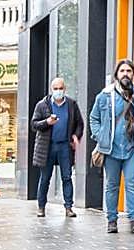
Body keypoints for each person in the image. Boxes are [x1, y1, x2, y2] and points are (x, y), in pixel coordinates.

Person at [90, 58, 134, 233]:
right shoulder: (105, 95)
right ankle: (112, 220)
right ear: (117, 74)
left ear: (133, 74)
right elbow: (93, 118)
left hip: (132, 148)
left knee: (132, 183)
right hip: (110, 149)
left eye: (129, 71)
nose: (126, 74)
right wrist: (99, 135)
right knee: (112, 185)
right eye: (122, 71)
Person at [32, 77, 84, 218]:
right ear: (51, 89)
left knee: (66, 177)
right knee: (45, 178)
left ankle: (68, 207)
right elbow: (34, 124)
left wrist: (76, 136)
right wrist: (47, 122)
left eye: (61, 88)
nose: (58, 91)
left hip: (64, 147)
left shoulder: (72, 104)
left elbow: (80, 123)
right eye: (55, 89)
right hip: (47, 147)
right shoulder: (42, 105)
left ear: (65, 89)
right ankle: (41, 207)